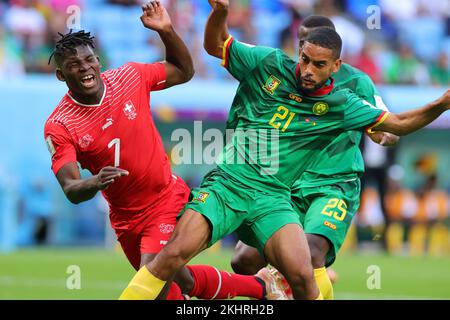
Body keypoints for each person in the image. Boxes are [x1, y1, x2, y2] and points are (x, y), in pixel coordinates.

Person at [119, 0, 450, 300]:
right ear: (298, 47)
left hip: (275, 197)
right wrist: (220, 13)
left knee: (304, 274)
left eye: (318, 65)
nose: (307, 70)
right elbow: (214, 45)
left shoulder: (344, 100)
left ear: (335, 66)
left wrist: (441, 102)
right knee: (175, 255)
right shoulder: (269, 63)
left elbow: (399, 123)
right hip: (229, 185)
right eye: (304, 58)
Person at [44, 1, 287, 301]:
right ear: (60, 75)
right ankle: (263, 287)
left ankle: (263, 288)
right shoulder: (60, 124)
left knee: (155, 285)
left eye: (89, 60)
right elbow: (70, 187)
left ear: (98, 61)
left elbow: (184, 71)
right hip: (125, 218)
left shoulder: (128, 78)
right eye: (74, 65)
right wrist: (94, 182)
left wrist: (167, 32)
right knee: (180, 281)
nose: (85, 68)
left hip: (164, 199)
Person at [230, 15, 399, 299]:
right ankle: (290, 283)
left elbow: (386, 125)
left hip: (334, 182)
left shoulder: (357, 82)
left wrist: (385, 134)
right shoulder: (287, 77)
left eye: (317, 51)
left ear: (332, 53)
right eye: (301, 46)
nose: (306, 60)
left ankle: (306, 280)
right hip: (288, 186)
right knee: (243, 261)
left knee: (310, 252)